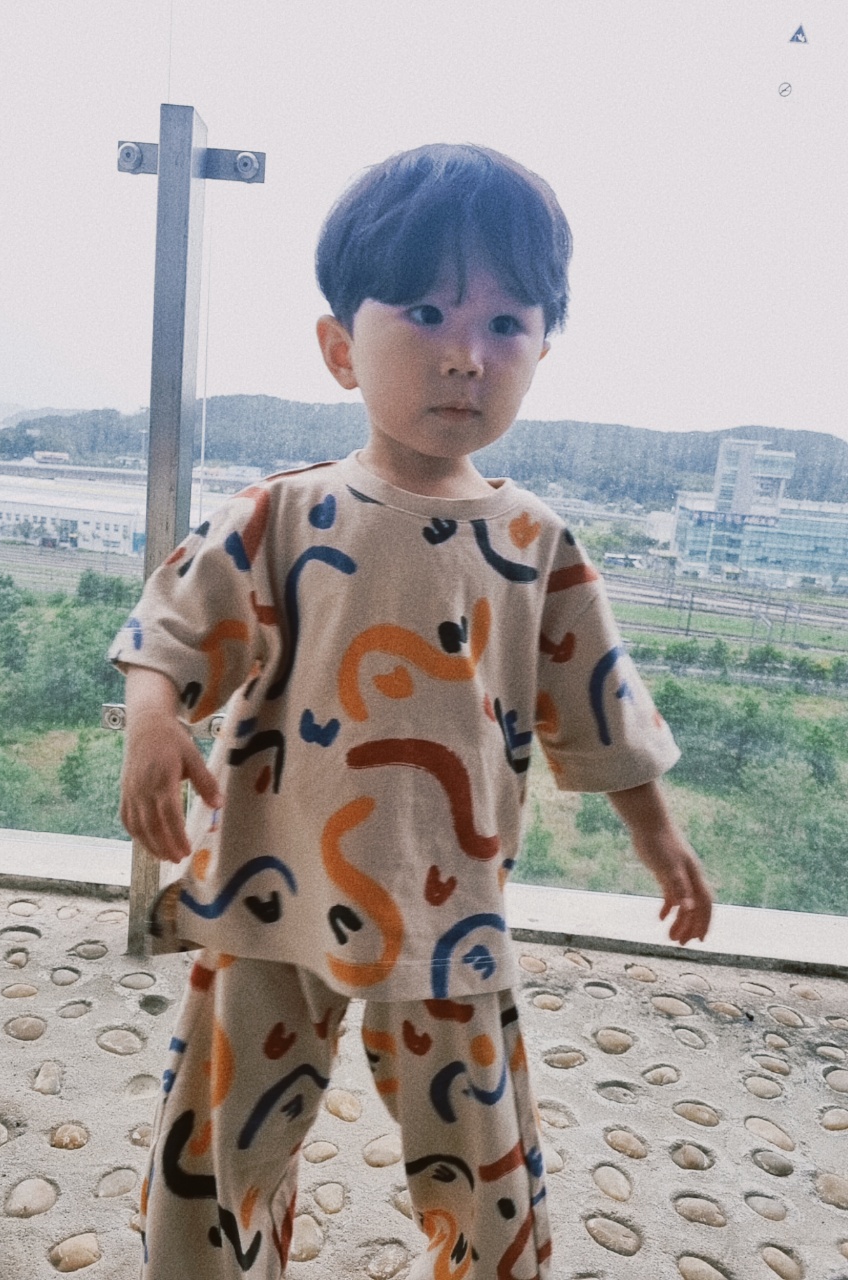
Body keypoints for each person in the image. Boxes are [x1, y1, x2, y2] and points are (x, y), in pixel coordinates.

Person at [110, 143, 713, 1280]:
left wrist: (660, 837)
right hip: (270, 894)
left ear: (542, 351)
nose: (464, 355)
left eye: (505, 323)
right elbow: (175, 624)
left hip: (450, 918)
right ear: (341, 346)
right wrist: (153, 717)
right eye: (427, 312)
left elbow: (599, 706)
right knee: (220, 1146)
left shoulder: (537, 543)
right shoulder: (281, 513)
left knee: (487, 1170)